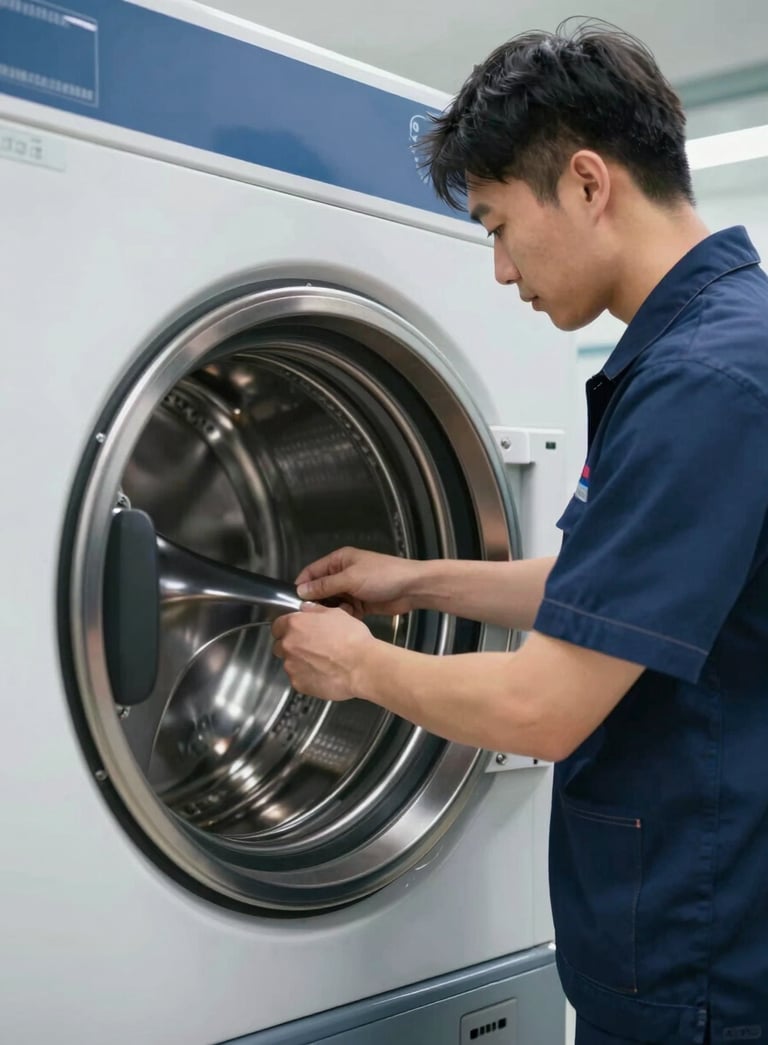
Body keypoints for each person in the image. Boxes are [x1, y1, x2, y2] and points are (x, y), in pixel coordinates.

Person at [271, 20, 768, 1045]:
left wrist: (358, 664)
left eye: (498, 225)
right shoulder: (727, 346)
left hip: (705, 962)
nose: (500, 270)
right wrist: (422, 579)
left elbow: (545, 709)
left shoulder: (700, 385)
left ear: (587, 184)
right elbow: (623, 592)